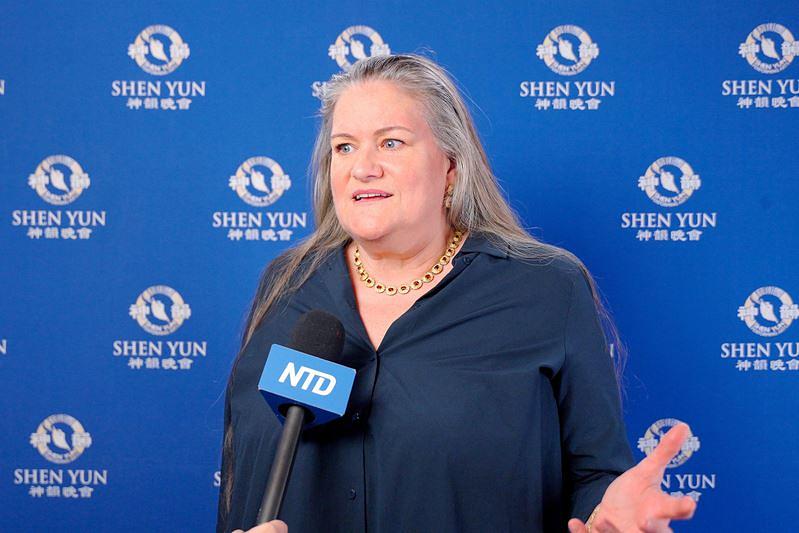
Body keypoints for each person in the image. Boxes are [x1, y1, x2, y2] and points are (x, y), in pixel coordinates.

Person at [217, 54, 697, 533]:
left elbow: (594, 477)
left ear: (450, 165)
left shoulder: (545, 287)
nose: (362, 167)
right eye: (344, 147)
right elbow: (243, 477)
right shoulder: (287, 282)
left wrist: (607, 517)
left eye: (391, 142)